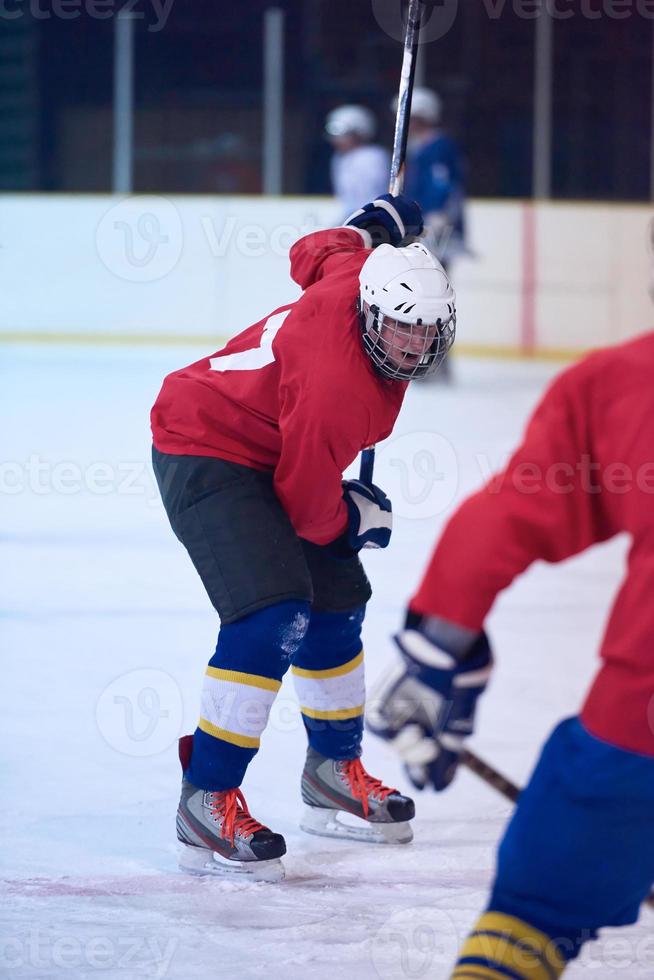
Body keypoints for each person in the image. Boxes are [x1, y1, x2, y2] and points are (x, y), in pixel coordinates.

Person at [150, 193, 457, 880]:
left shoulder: (359, 277)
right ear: (373, 314)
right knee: (273, 612)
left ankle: (332, 770)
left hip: (270, 446)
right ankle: (207, 794)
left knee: (339, 595)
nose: (415, 345)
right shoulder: (339, 386)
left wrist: (372, 225)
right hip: (206, 444)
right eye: (402, 328)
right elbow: (303, 501)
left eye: (428, 330)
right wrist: (354, 519)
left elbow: (316, 252)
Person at [368, 332, 654, 975]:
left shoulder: (624, 380)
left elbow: (509, 516)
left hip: (638, 728)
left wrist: (435, 656)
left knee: (533, 917)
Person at [401, 87, 466, 381]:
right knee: (420, 294)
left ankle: (438, 364)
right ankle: (425, 361)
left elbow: (445, 185)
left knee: (435, 297)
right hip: (421, 230)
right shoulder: (417, 148)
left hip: (438, 231)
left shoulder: (439, 146)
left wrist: (438, 217)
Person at [325, 105, 391, 219]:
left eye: (344, 135)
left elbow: (373, 192)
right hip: (348, 216)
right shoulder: (338, 158)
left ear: (359, 133)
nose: (337, 140)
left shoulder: (374, 156)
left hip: (372, 216)